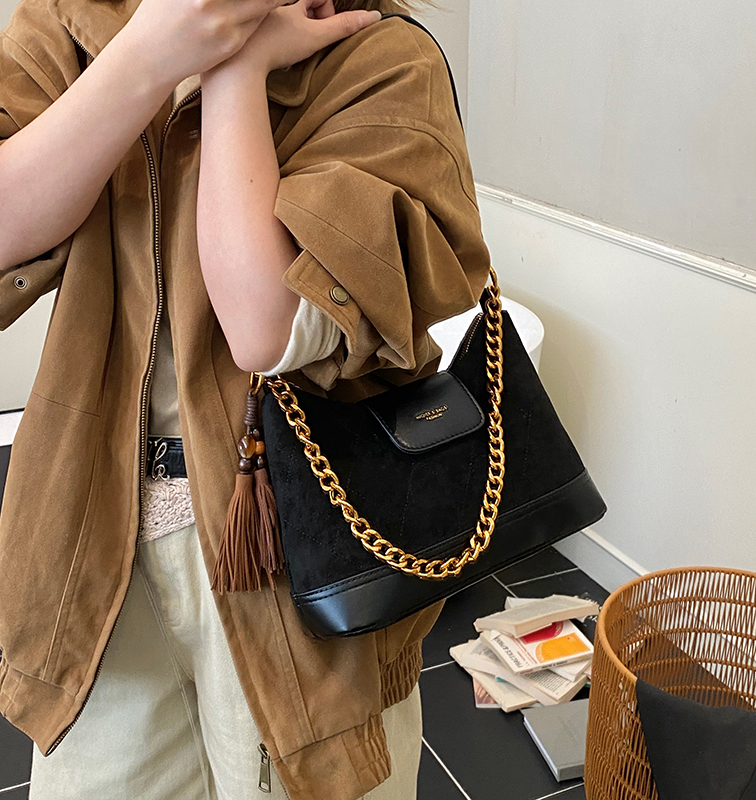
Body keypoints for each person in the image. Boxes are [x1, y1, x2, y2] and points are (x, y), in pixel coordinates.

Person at [0, 0, 491, 797]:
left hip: (291, 558)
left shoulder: (380, 54)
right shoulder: (72, 24)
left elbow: (264, 323)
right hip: (89, 542)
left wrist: (236, 69)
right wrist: (150, 54)